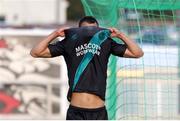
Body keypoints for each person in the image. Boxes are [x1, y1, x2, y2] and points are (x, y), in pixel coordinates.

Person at [30, 16, 144, 120]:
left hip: (98, 113)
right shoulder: (68, 43)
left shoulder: (106, 42)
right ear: (78, 30)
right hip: (76, 112)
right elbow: (35, 52)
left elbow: (137, 53)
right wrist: (55, 34)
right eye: (85, 31)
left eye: (94, 31)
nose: (90, 34)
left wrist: (120, 35)